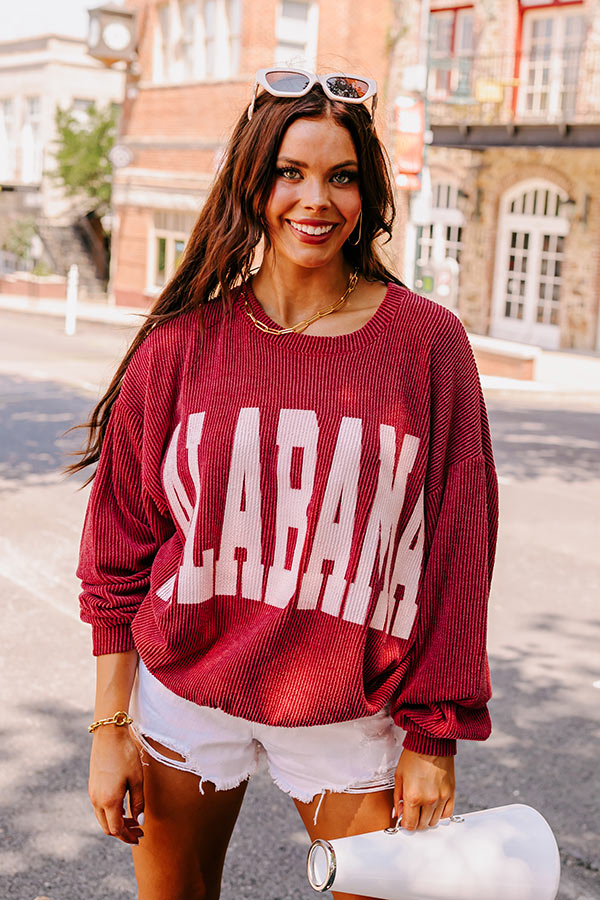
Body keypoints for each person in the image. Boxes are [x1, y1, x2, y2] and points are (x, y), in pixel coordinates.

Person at [71, 68, 499, 900]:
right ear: (252, 183)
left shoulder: (427, 345)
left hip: (349, 705)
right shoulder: (182, 344)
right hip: (188, 693)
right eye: (290, 172)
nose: (316, 199)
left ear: (368, 193)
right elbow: (120, 544)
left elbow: (457, 550)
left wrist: (433, 736)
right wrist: (109, 725)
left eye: (342, 176)